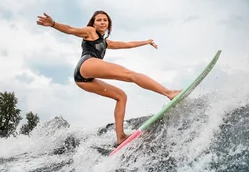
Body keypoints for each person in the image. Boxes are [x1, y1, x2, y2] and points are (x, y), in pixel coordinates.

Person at [36, 10, 182, 145]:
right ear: (93, 23)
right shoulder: (90, 32)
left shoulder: (106, 42)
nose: (102, 22)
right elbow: (71, 30)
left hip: (82, 80)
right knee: (131, 75)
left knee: (121, 96)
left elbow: (127, 45)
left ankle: (120, 137)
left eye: (105, 20)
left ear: (109, 24)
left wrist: (146, 42)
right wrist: (53, 24)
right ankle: (169, 93)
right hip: (87, 64)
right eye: (98, 20)